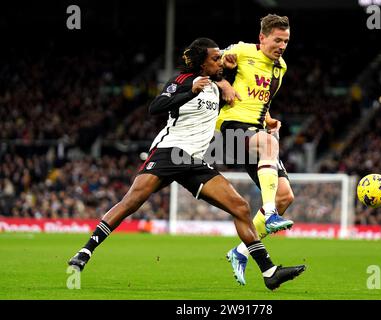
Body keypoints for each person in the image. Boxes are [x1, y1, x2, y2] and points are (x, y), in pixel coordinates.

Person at [68, 38, 306, 290]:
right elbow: (155, 107)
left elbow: (247, 102)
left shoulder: (218, 86)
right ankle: (85, 251)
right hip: (169, 152)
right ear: (202, 63)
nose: (220, 61)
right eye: (215, 59)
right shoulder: (182, 81)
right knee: (132, 202)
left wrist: (263, 117)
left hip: (193, 161)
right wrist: (189, 90)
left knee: (241, 207)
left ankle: (269, 271)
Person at [216, 14, 297, 286]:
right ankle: (270, 213)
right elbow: (205, 65)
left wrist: (269, 119)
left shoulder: (280, 68)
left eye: (286, 40)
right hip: (230, 128)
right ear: (262, 38)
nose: (282, 45)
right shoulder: (241, 51)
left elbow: (261, 102)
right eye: (277, 40)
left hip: (256, 131)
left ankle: (240, 252)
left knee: (286, 196)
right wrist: (224, 80)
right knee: (270, 143)